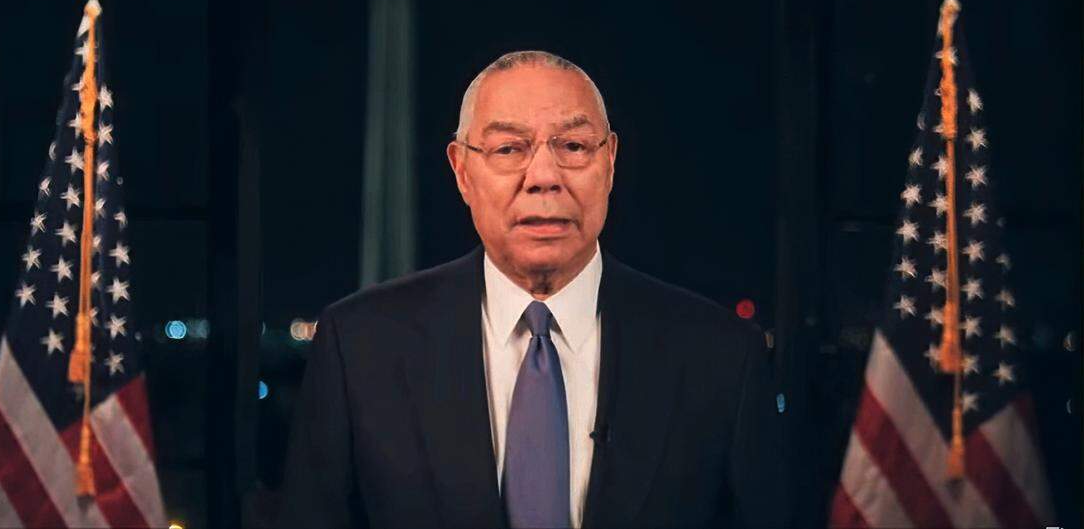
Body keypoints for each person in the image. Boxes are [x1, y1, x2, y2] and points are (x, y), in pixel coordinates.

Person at [281, 51, 788, 528]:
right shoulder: (358, 347)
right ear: (462, 171)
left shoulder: (721, 356)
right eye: (509, 149)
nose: (544, 177)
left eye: (573, 147)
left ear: (610, 161)